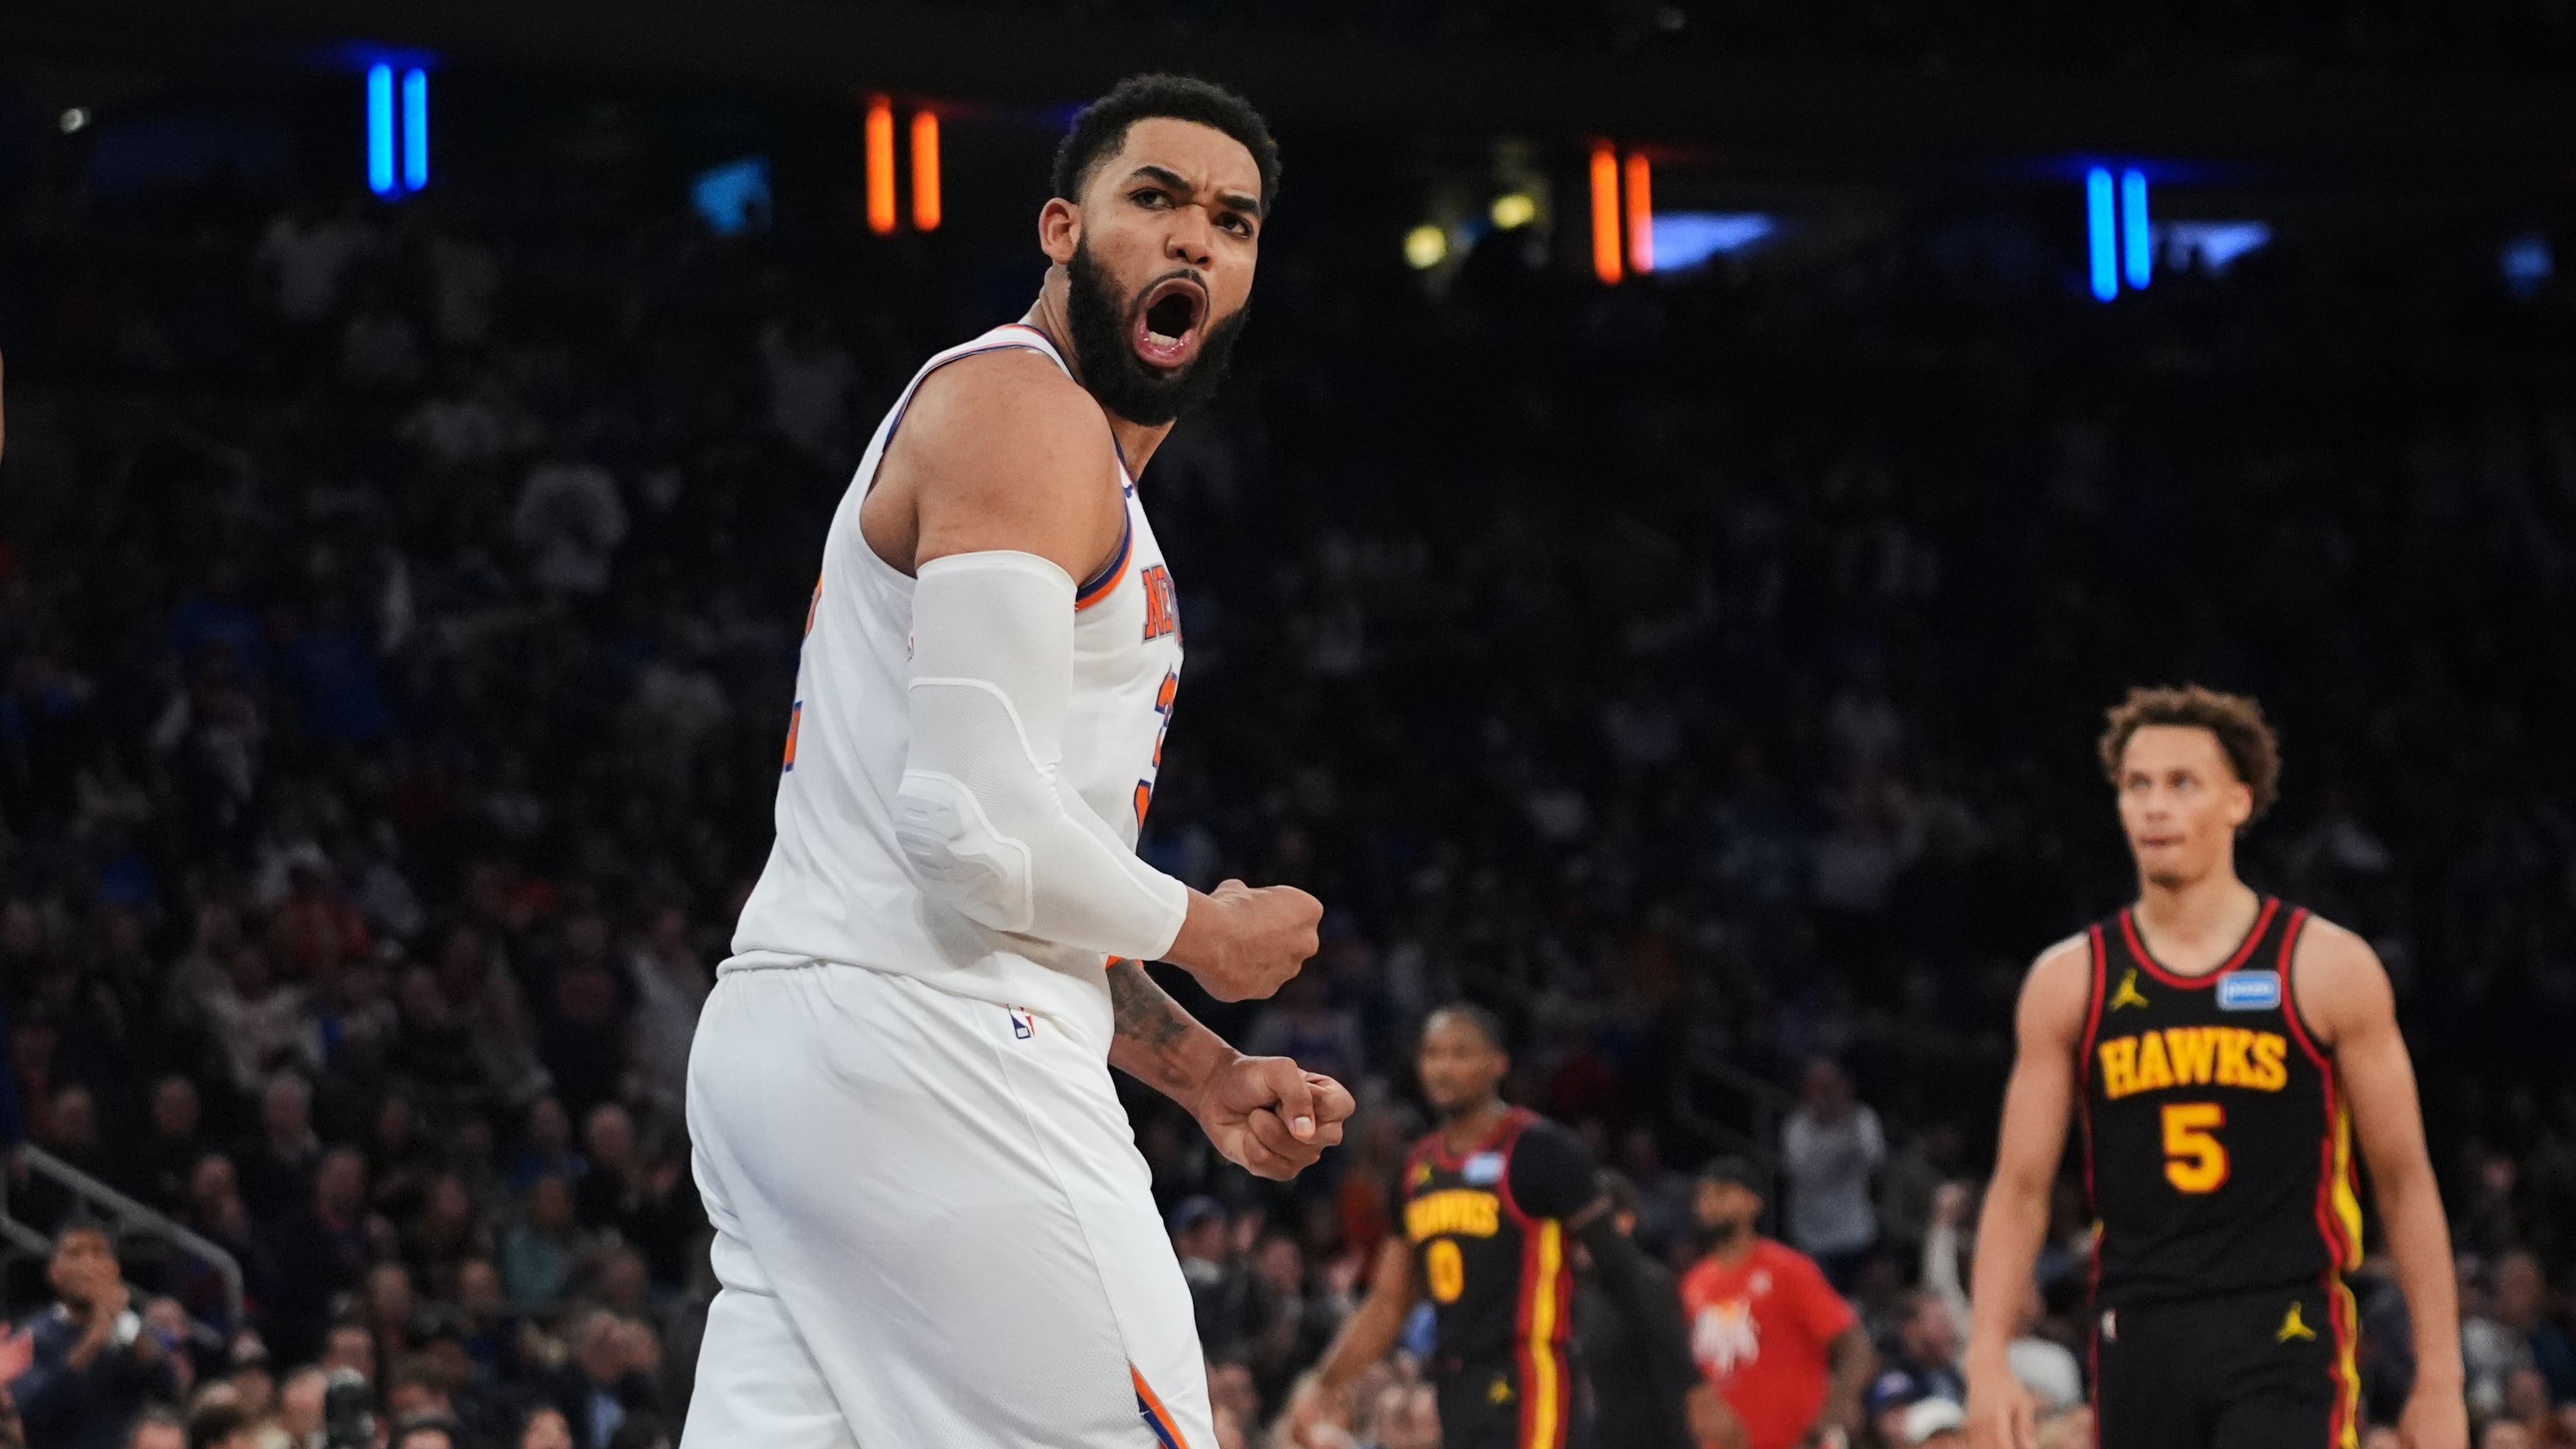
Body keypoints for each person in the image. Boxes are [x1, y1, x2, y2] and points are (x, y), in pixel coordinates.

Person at [679, 74, 1353, 1449]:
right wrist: (1202, 930)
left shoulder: (1067, 461)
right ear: (1061, 228)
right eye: (1152, 199)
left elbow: (1010, 859)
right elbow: (970, 829)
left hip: (812, 1042)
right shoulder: (1023, 408)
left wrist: (1197, 1068)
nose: (1192, 241)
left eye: (1231, 221)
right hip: (936, 1043)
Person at [1964, 687, 2469, 1449]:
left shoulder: (2325, 967)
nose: (2153, 807)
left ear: (2239, 801)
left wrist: (2441, 1379)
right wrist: (1984, 1358)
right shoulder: (2071, 980)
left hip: (2285, 1326)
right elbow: (2020, 1188)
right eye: (2137, 786)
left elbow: (2403, 1180)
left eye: (2180, 784)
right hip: (2138, 1327)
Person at [1291, 1006, 1704, 1449]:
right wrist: (1326, 1381)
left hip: (1529, 1377)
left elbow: (1628, 1272)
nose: (1444, 1067)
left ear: (1498, 1064)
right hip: (1454, 1383)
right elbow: (1388, 1301)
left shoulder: (1542, 1151)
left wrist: (1696, 1387)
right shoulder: (1415, 1170)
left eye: (1461, 1053)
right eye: (1433, 1054)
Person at [1679, 1157, 1876, 1449]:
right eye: (1702, 1196)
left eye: (1721, 1192)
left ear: (1753, 1202)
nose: (1709, 1203)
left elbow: (1857, 1348)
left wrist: (1827, 1420)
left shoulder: (1787, 1269)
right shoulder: (1694, 1283)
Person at [8, 1226, 182, 1449]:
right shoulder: (32, 1336)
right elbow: (32, 1412)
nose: (89, 1264)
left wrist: (122, 1321)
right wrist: (96, 1336)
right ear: (55, 1272)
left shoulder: (133, 1330)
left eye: (99, 1253)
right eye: (76, 1254)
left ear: (114, 1268)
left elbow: (169, 1387)